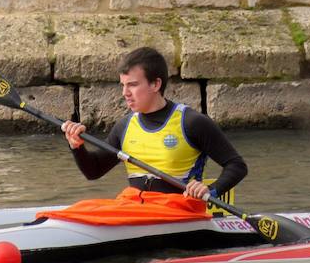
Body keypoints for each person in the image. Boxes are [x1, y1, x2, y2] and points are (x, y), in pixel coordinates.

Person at [59, 47, 247, 200]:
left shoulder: (192, 123)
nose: (125, 92)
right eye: (122, 85)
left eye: (132, 85)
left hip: (179, 209)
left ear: (155, 85)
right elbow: (94, 171)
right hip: (135, 205)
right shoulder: (124, 127)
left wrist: (210, 190)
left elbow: (236, 165)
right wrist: (76, 146)